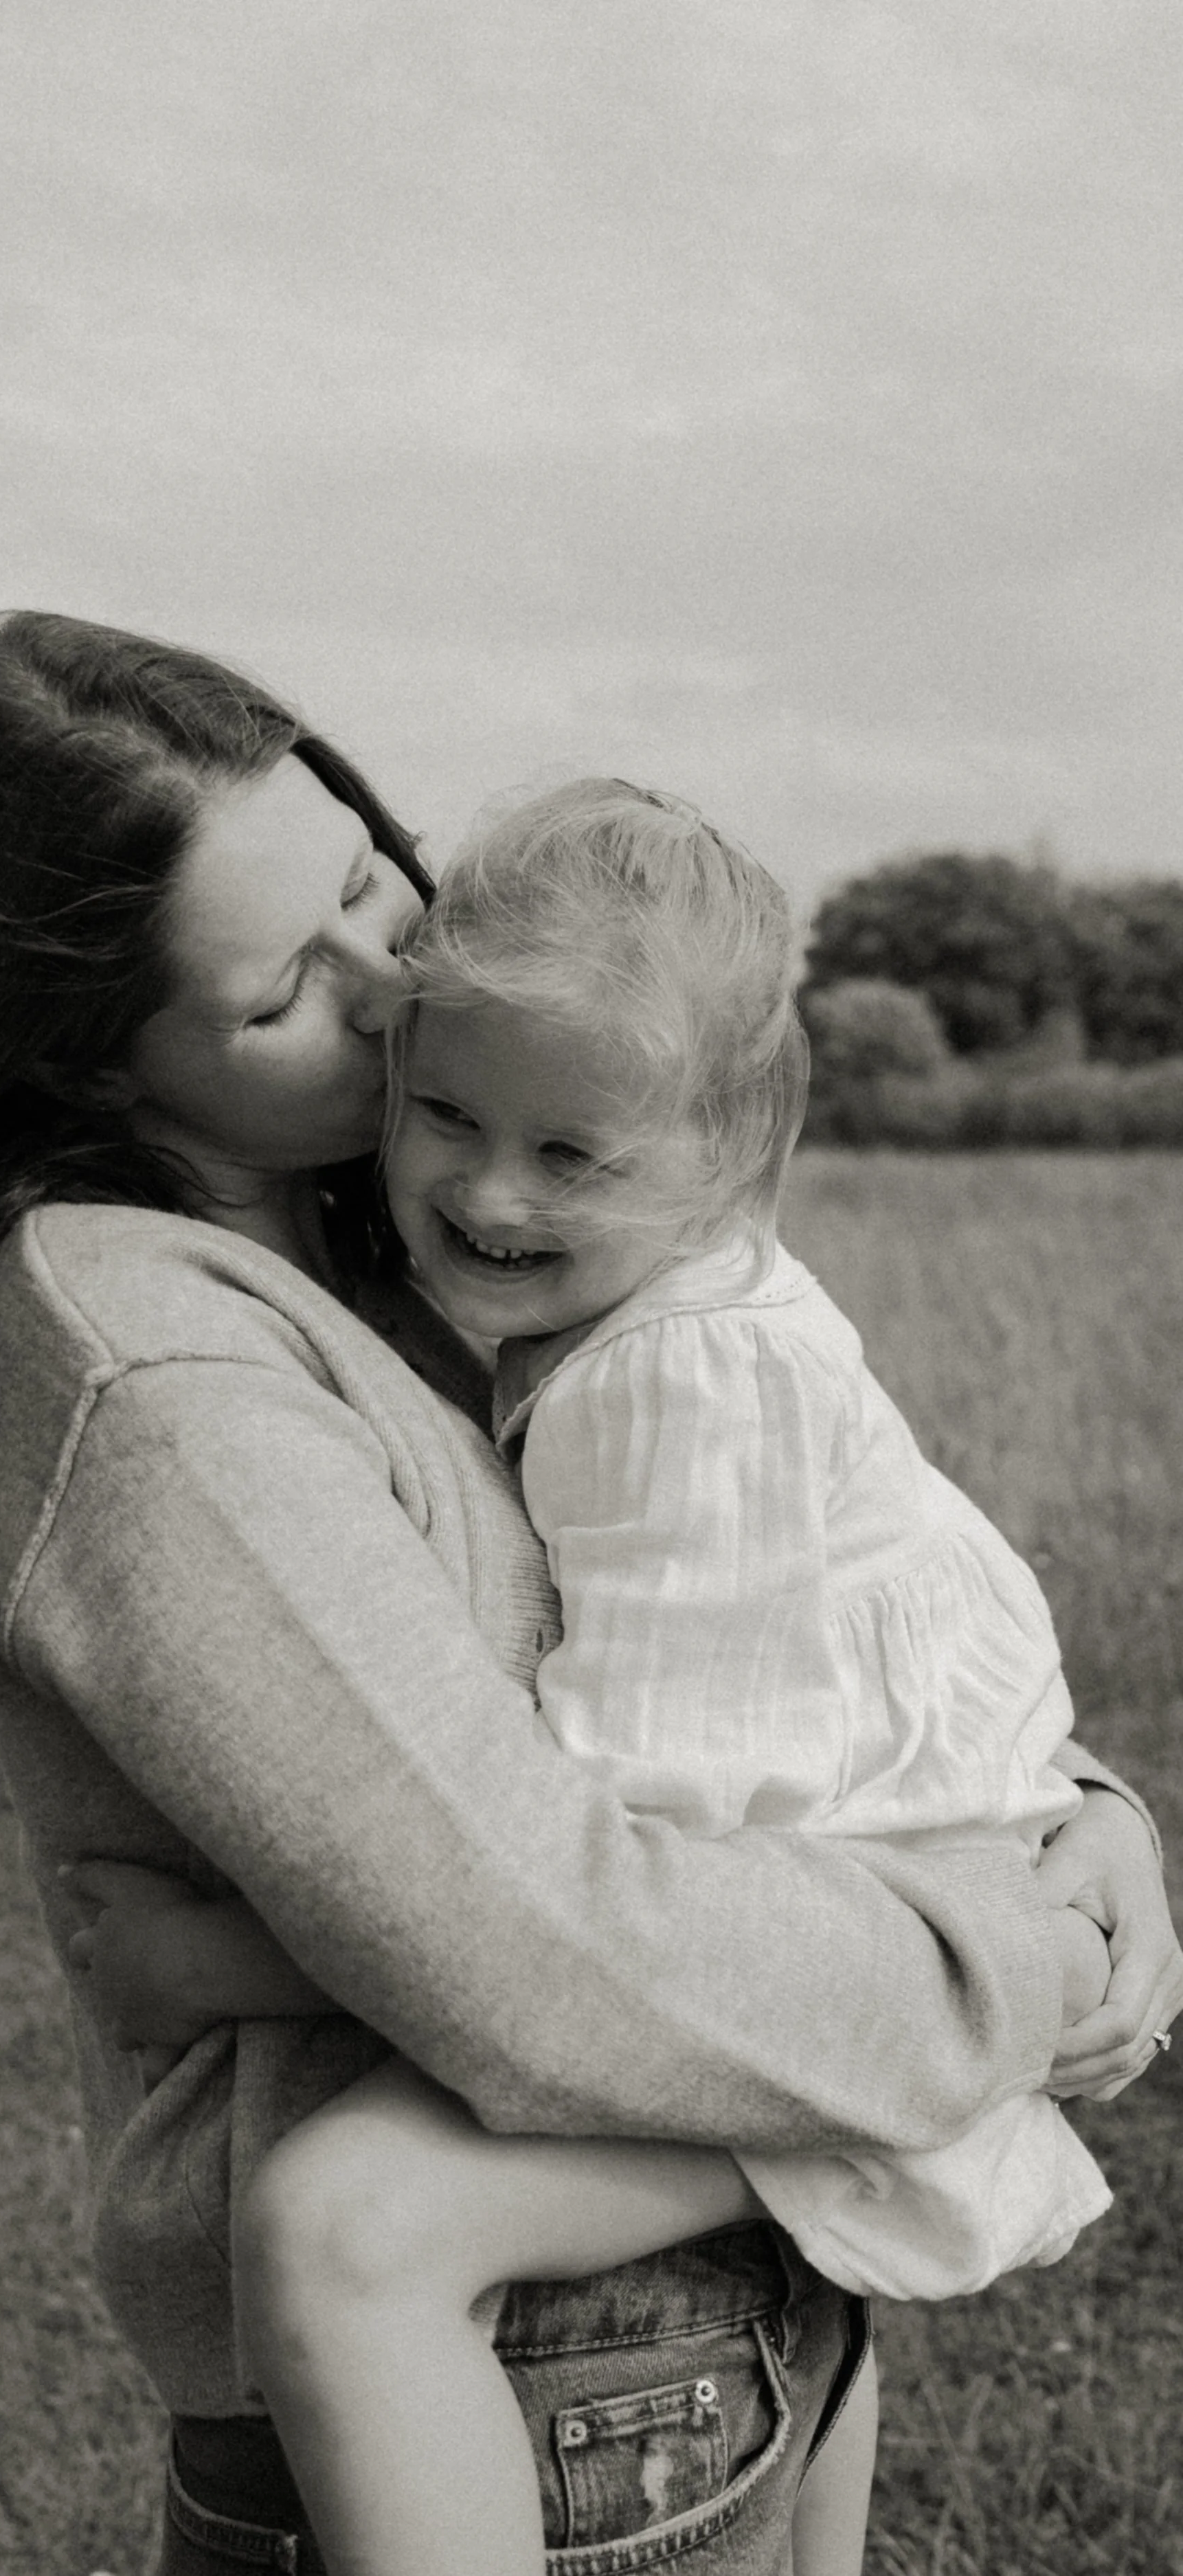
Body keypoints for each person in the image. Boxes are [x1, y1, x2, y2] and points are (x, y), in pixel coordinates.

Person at [0, 613, 1182, 2575]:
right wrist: (1020, 1958)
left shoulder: (417, 1245)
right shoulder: (151, 1365)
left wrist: (1070, 1812)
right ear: (78, 1054)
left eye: (358, 879)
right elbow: (537, 1941)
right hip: (538, 2389)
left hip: (707, 2293)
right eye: (276, 995)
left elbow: (782, 1617)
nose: (393, 979)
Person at [94, 779, 1118, 2576]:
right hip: (863, 1921)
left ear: (726, 1154)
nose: (482, 1190)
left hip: (842, 1951)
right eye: (442, 1114)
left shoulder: (672, 1380)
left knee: (347, 2220)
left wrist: (237, 1952)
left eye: (568, 1156)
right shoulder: (652, 1307)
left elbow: (633, 1851)